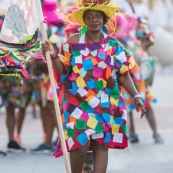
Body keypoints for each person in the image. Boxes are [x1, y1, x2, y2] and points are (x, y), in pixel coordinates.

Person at [42, 0, 146, 172]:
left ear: (104, 20)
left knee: (101, 145)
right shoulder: (72, 42)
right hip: (77, 101)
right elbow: (62, 74)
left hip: (105, 102)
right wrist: (53, 56)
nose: (94, 20)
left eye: (98, 16)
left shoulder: (113, 44)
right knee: (80, 145)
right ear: (84, 20)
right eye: (90, 17)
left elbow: (124, 74)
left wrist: (136, 96)